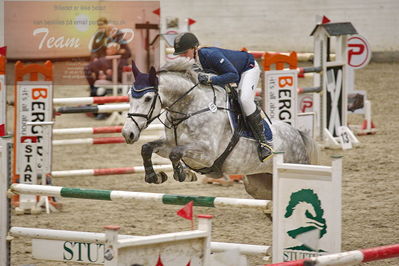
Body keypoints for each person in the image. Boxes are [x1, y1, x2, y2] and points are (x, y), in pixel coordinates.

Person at [173, 32, 272, 162]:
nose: (183, 56)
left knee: (244, 100)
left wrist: (210, 79)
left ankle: (263, 142)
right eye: (180, 54)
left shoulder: (210, 55)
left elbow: (233, 75)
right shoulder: (191, 63)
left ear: (194, 48)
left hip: (247, 68)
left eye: (185, 52)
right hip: (229, 76)